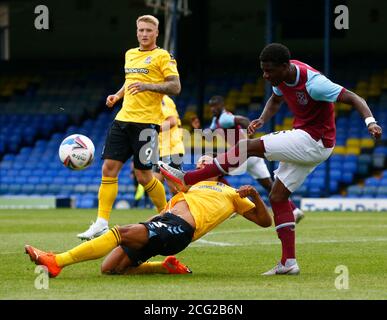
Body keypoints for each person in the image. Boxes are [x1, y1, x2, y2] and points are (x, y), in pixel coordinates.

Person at [159, 43, 383, 275]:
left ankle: (188, 177)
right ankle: (289, 263)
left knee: (246, 146)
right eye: (263, 70)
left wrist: (371, 122)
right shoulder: (281, 79)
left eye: (269, 71)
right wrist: (262, 119)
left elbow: (355, 98)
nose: (265, 76)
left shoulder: (315, 83)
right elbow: (275, 101)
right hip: (311, 142)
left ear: (285, 67)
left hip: (314, 140)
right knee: (277, 195)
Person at [24, 155, 272, 277]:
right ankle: (164, 266)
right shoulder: (189, 188)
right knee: (110, 269)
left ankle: (57, 261)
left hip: (180, 229)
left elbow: (265, 222)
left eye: (205, 164)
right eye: (198, 164)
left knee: (120, 233)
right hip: (163, 224)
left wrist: (256, 196)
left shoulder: (231, 193)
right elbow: (168, 194)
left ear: (216, 171)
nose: (199, 166)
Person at [77, 15, 181, 240]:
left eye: (148, 31)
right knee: (108, 169)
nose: (144, 34)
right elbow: (129, 79)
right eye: (140, 30)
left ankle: (166, 217)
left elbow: (175, 86)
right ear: (136, 31)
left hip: (147, 125)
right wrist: (118, 94)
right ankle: (101, 223)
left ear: (156, 33)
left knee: (144, 175)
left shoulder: (163, 56)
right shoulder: (130, 54)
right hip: (122, 120)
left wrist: (146, 85)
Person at [207, 95, 304, 223]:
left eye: (215, 106)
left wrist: (249, 131)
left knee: (216, 174)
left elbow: (244, 120)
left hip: (243, 154)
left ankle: (235, 205)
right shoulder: (217, 119)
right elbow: (209, 134)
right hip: (252, 156)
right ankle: (295, 211)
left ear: (221, 105)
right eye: (211, 107)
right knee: (270, 186)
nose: (213, 109)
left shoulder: (225, 118)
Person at [153, 95, 185, 195]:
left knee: (175, 188)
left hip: (173, 149)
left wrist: (153, 128)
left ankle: (181, 207)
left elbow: (172, 121)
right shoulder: (156, 101)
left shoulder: (163, 99)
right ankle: (164, 208)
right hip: (163, 150)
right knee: (155, 184)